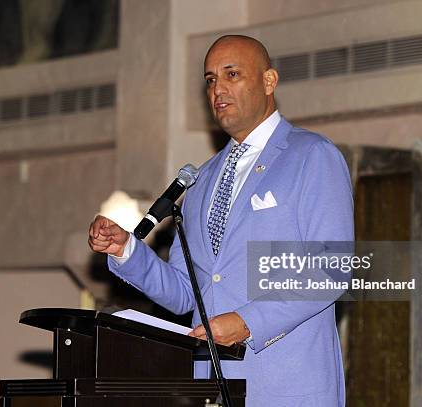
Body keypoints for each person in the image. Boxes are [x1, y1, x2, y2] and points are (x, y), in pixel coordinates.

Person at [89, 35, 354, 406]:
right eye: (211, 79)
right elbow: (186, 292)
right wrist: (127, 252)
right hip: (210, 387)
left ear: (268, 81)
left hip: (286, 386)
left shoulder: (311, 155)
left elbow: (332, 268)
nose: (218, 89)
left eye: (232, 74)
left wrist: (248, 322)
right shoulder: (202, 179)